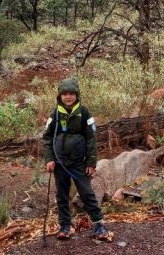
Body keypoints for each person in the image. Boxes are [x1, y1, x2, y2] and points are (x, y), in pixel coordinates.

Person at [43, 77, 109, 240]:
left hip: (79, 163)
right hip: (60, 163)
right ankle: (65, 226)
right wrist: (49, 159)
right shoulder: (55, 114)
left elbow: (91, 139)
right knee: (62, 195)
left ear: (77, 95)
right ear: (60, 96)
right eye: (64, 93)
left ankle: (99, 225)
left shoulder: (84, 112)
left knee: (86, 193)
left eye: (71, 93)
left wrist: (91, 162)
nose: (68, 96)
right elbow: (47, 138)